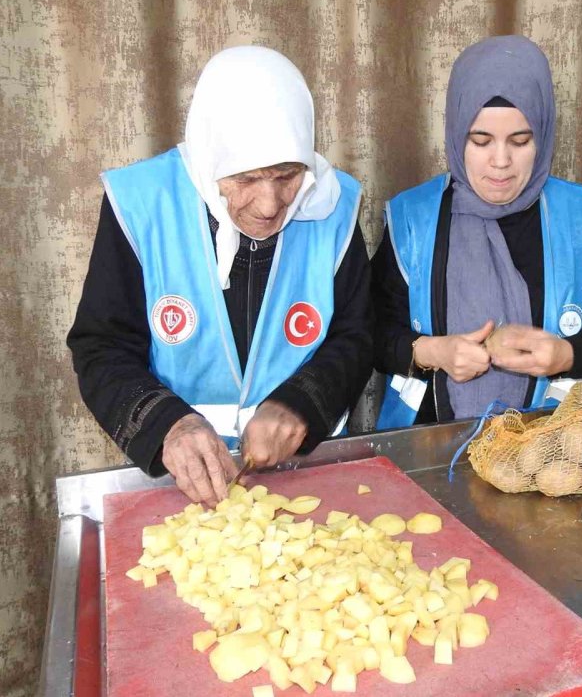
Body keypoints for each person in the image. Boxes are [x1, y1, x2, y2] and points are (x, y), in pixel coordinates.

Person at [68, 46, 373, 505]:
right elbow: (101, 346)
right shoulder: (141, 203)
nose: (270, 205)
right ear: (211, 160)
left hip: (303, 474)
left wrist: (301, 402)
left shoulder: (335, 205)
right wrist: (168, 424)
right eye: (246, 179)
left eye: (287, 175)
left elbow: (356, 333)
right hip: (178, 477)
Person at [371, 35, 582, 427]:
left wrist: (568, 355)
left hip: (555, 446)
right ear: (456, 133)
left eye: (520, 140)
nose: (500, 162)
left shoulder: (580, 216)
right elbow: (370, 331)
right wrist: (431, 352)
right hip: (428, 447)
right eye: (480, 141)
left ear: (543, 137)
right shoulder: (414, 217)